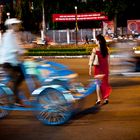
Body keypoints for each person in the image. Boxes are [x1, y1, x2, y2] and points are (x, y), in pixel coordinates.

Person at [0, 18, 25, 106]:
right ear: (11, 26)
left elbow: (19, 46)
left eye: (18, 24)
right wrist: (20, 52)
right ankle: (15, 99)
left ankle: (12, 91)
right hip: (7, 62)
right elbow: (13, 48)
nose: (18, 26)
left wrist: (23, 51)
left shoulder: (15, 35)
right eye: (16, 24)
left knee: (23, 74)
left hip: (14, 62)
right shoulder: (8, 36)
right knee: (14, 79)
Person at [89, 34, 111, 105]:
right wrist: (109, 69)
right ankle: (106, 98)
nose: (95, 41)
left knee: (98, 84)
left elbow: (91, 59)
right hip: (105, 69)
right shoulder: (107, 49)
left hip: (98, 69)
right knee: (105, 83)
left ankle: (98, 99)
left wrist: (90, 68)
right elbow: (108, 60)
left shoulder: (95, 49)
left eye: (96, 40)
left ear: (99, 41)